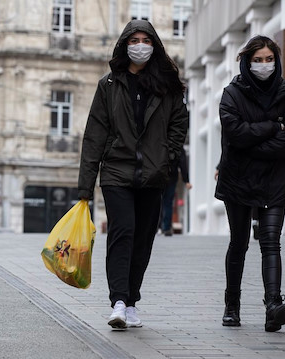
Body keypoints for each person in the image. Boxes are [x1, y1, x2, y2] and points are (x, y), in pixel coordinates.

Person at [77, 19, 188, 329]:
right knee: (122, 232)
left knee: (142, 240)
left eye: (146, 40)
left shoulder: (168, 86)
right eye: (135, 40)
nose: (140, 45)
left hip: (153, 174)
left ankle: (133, 300)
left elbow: (179, 124)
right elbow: (94, 135)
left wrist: (167, 157)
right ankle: (119, 302)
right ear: (125, 45)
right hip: (116, 172)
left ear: (155, 45)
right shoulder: (109, 85)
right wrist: (85, 188)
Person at [215, 35, 285, 332]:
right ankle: (232, 305)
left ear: (276, 61)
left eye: (269, 59)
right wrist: (271, 127)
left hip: (276, 180)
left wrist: (254, 144)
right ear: (246, 61)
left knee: (270, 241)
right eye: (258, 60)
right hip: (238, 178)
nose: (264, 65)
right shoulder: (232, 93)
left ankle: (273, 306)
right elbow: (235, 133)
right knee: (239, 243)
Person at [160, 149, 192, 236]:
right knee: (168, 203)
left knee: (160, 202)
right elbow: (183, 165)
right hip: (171, 177)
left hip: (159, 176)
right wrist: (186, 181)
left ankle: (160, 227)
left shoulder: (161, 142)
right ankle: (165, 228)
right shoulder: (178, 146)